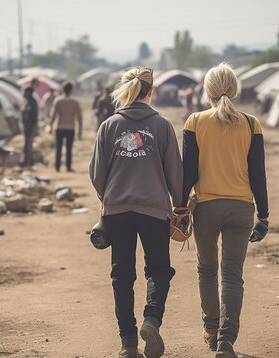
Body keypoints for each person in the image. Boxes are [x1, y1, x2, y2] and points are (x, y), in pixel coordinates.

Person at [89, 67, 183, 358]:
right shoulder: (163, 125)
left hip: (117, 210)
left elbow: (96, 173)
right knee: (158, 270)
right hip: (154, 208)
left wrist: (110, 200)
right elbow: (175, 173)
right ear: (150, 91)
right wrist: (179, 209)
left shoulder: (109, 125)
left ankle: (128, 344)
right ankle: (151, 320)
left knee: (122, 275)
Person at [182, 63, 269, 358]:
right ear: (235, 89)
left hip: (206, 208)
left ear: (207, 91)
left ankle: (211, 330)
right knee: (232, 275)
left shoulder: (194, 121)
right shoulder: (251, 123)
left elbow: (187, 173)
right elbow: (258, 174)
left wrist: (181, 207)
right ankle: (226, 341)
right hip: (241, 209)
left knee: (207, 271)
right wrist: (264, 215)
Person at [49, 81, 83, 172]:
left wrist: (50, 126)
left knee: (58, 148)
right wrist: (80, 130)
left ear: (63, 89)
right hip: (70, 127)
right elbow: (79, 117)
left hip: (59, 126)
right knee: (69, 148)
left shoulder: (58, 100)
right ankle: (68, 167)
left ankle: (57, 166)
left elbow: (53, 115)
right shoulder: (75, 102)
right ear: (71, 90)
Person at [20, 86, 38, 167]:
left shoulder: (32, 103)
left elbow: (33, 117)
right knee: (27, 144)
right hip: (27, 127)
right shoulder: (27, 102)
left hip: (30, 127)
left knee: (28, 144)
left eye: (25, 91)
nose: (23, 93)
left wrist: (31, 126)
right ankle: (27, 161)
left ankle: (28, 162)